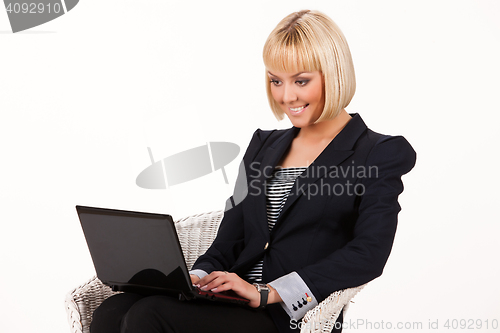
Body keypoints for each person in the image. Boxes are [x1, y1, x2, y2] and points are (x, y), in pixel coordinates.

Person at [90, 9, 416, 333]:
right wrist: (199, 278)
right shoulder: (263, 145)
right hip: (231, 300)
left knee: (149, 315)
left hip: (286, 316)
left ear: (334, 74)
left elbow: (369, 253)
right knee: (112, 309)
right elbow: (230, 239)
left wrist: (268, 292)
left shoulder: (378, 152)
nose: (287, 96)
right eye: (276, 81)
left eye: (301, 81)